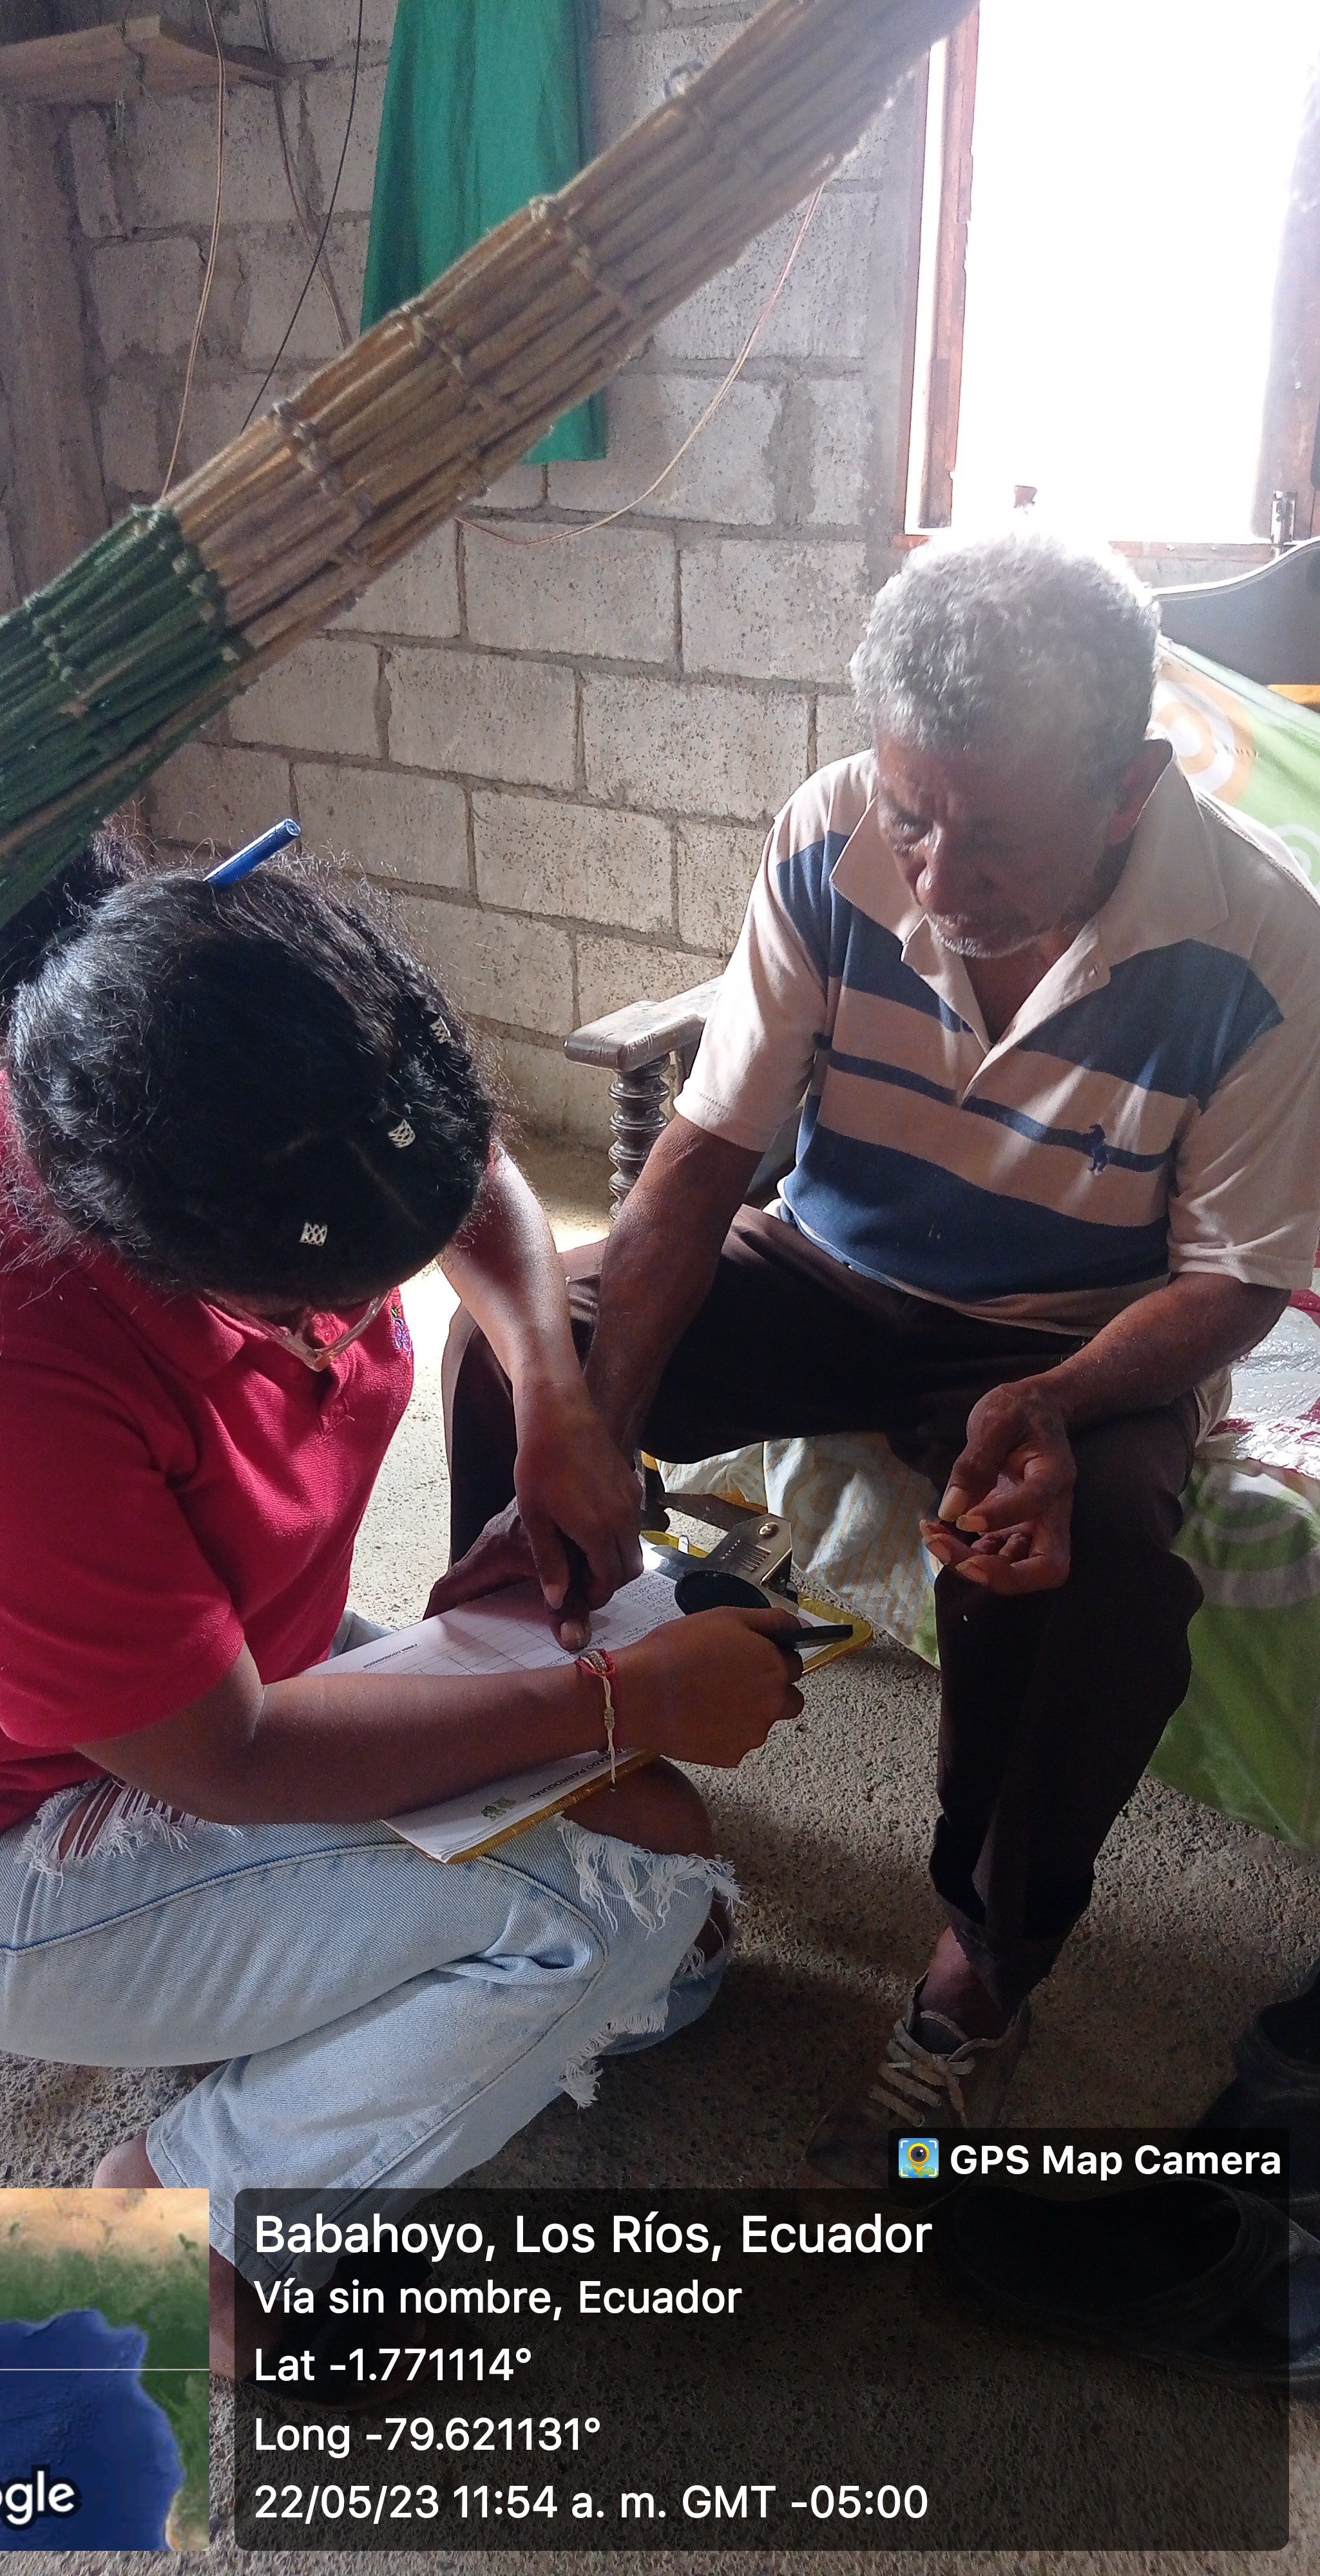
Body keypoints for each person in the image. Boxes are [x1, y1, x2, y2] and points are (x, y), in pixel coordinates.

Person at [441, 528, 1320, 2181]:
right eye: (915, 816)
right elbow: (709, 1148)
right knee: (520, 1361)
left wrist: (1054, 1402)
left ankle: (984, 1967)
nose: (935, 875)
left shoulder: (1268, 945)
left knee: (1095, 1566)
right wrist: (597, 1419)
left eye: (995, 838)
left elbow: (1239, 1279)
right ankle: (555, 1733)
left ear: (1128, 790)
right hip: (826, 1264)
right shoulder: (832, 828)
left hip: (1076, 1335)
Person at [0, 840, 803, 2371]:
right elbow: (224, 1758)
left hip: (242, 1665)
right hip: (5, 1834)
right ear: (149, 1250)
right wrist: (622, 1697)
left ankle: (287, 2000)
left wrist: (554, 1393)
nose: (358, 1330)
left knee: (676, 1915)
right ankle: (183, 2210)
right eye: (309, 1312)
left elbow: (463, 1180)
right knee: (616, 1915)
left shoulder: (281, 1077)